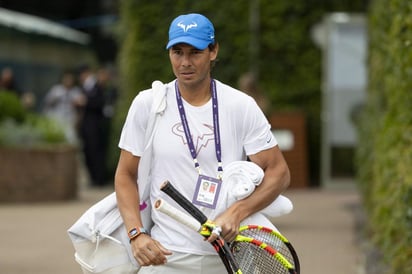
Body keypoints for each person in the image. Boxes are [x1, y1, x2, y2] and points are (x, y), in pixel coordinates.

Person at [114, 13, 290, 273]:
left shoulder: (240, 105)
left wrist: (237, 212)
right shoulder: (148, 104)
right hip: (165, 258)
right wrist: (136, 233)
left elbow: (279, 172)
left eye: (195, 52)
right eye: (177, 52)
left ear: (213, 51)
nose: (185, 62)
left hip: (227, 258)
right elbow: (126, 175)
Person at [77, 65, 107, 187]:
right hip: (86, 124)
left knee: (95, 152)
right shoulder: (85, 87)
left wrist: (86, 102)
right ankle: (93, 178)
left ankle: (98, 179)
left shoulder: (97, 86)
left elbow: (100, 103)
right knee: (88, 151)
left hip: (95, 125)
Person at [43, 70, 86, 144]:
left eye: (70, 79)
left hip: (70, 122)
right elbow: (47, 104)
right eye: (66, 78)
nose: (68, 81)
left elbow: (82, 106)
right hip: (56, 120)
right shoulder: (56, 90)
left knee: (71, 142)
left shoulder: (76, 91)